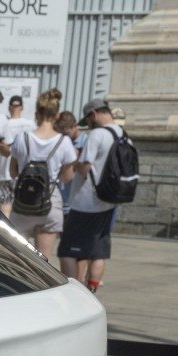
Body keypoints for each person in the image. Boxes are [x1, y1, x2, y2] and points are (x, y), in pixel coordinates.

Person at [58, 98, 124, 293]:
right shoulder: (121, 134)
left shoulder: (97, 135)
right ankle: (93, 289)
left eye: (88, 119)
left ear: (93, 114)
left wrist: (74, 160)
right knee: (98, 252)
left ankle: (71, 292)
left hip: (85, 202)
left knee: (67, 250)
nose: (88, 124)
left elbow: (85, 168)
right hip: (108, 201)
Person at [8, 89, 76, 260]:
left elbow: (13, 172)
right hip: (49, 203)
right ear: (57, 115)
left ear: (36, 113)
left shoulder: (21, 138)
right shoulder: (64, 142)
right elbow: (67, 177)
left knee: (18, 258)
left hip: (23, 202)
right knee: (44, 260)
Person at [0, 94, 35, 214]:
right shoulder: (31, 125)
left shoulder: (4, 124)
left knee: (5, 206)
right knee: (23, 207)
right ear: (22, 107)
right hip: (24, 172)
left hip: (5, 172)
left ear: (9, 108)